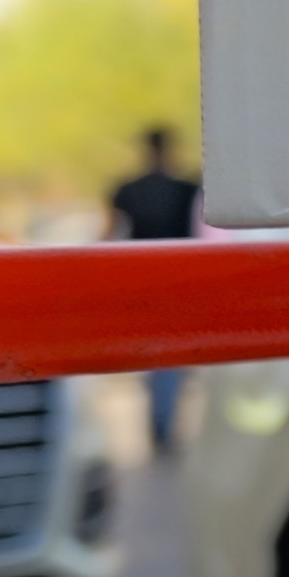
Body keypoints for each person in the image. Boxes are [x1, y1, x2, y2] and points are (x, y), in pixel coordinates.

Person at [109, 127, 200, 451]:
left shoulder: (127, 190)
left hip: (142, 279)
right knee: (168, 359)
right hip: (179, 280)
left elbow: (110, 236)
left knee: (154, 356)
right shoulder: (188, 188)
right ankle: (164, 424)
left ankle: (159, 423)